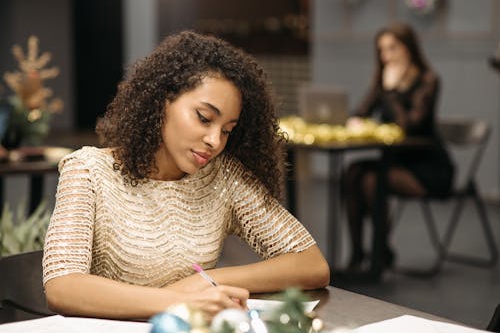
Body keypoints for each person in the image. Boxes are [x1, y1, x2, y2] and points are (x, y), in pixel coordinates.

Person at [42, 31, 330, 319]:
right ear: (163, 100)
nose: (215, 140)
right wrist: (176, 301)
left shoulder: (223, 177)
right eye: (204, 118)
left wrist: (209, 280)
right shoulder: (89, 171)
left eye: (227, 130)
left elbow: (311, 265)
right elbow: (62, 286)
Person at [341, 22, 454, 282]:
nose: (386, 56)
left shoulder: (428, 80)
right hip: (395, 162)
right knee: (352, 172)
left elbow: (409, 126)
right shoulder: (384, 79)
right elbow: (361, 112)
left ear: (409, 48)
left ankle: (380, 255)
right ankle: (359, 254)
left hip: (428, 168)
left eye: (392, 48)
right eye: (381, 50)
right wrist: (358, 117)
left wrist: (391, 90)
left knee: (370, 180)